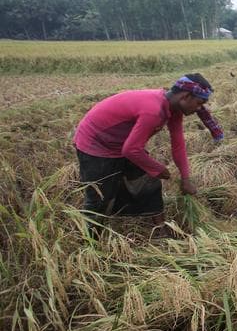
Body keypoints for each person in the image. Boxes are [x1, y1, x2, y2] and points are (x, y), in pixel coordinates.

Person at [73, 73, 215, 235]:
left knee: (149, 181)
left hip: (123, 142)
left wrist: (185, 178)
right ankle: (90, 240)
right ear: (185, 96)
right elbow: (131, 150)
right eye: (199, 103)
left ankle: (160, 229)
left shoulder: (174, 109)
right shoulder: (153, 111)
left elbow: (178, 144)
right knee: (100, 196)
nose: (199, 109)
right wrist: (158, 168)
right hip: (96, 143)